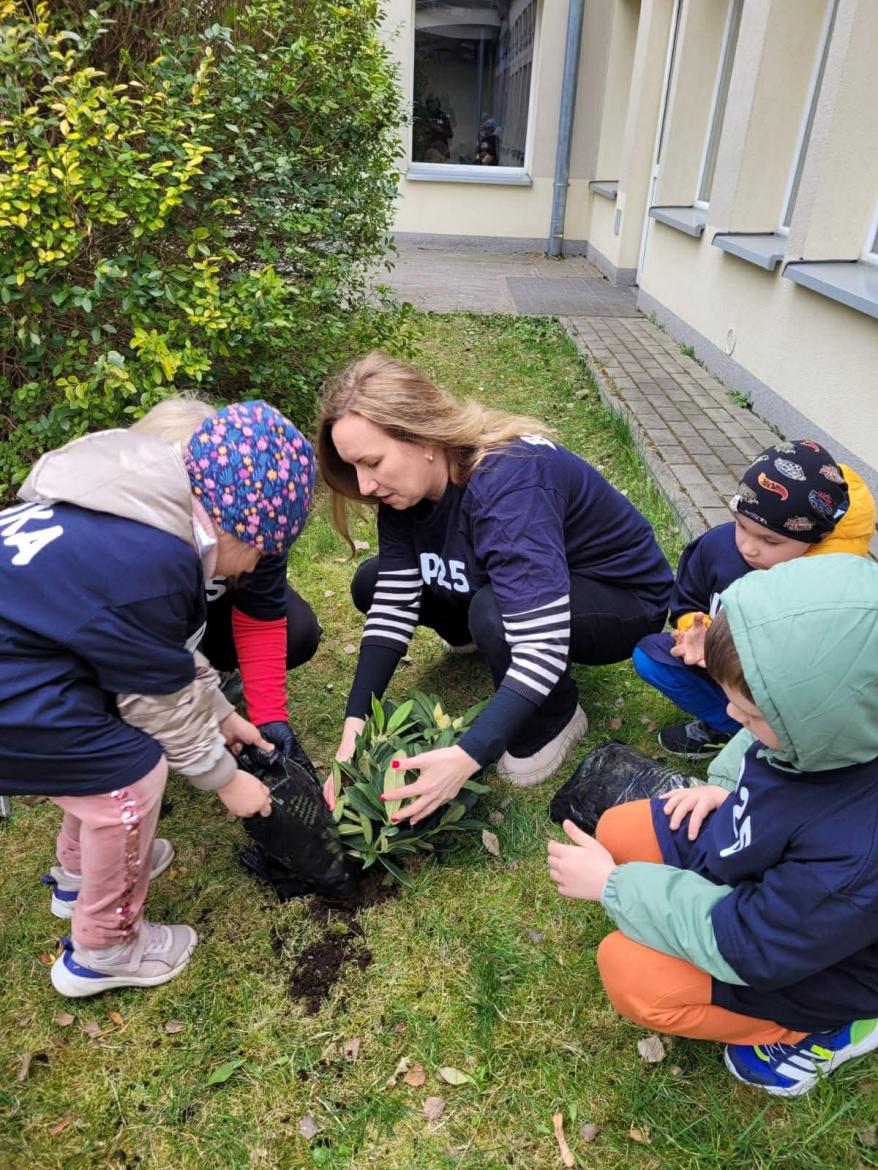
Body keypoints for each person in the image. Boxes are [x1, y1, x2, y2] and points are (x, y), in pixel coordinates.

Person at [0, 401, 314, 996]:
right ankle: (106, 948)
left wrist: (223, 713)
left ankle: (77, 876)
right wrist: (226, 779)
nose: (250, 572)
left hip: (26, 662)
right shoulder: (157, 562)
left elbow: (153, 650)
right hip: (14, 690)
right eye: (260, 554)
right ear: (240, 526)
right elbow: (158, 700)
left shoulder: (126, 514)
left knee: (96, 752)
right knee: (130, 774)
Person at [548, 554, 878, 1096]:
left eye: (751, 714)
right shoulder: (828, 731)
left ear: (823, 722)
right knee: (618, 829)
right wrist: (722, 787)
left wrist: (614, 886)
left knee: (630, 973)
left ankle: (820, 1030)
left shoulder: (857, 849)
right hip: (768, 863)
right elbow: (755, 748)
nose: (734, 720)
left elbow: (750, 943)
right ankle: (683, 906)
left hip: (809, 962)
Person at [316, 351, 673, 818]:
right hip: (524, 577)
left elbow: (541, 647)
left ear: (423, 437)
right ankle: (477, 635)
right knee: (373, 580)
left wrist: (467, 755)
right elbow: (393, 604)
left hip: (621, 598)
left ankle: (557, 715)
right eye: (355, 468)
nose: (364, 486)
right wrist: (354, 730)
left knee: (496, 613)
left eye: (373, 462)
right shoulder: (405, 490)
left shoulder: (509, 482)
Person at [633, 439, 875, 758]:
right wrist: (698, 631)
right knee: (649, 656)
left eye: (770, 541)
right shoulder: (717, 546)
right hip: (726, 672)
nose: (748, 547)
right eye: (741, 525)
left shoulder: (831, 586)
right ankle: (733, 727)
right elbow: (688, 598)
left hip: (791, 694)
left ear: (817, 538)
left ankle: (785, 743)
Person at [132, 397, 322, 763]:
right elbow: (142, 650)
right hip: (135, 638)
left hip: (209, 617)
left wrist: (269, 719)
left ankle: (218, 677)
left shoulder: (256, 511)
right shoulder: (139, 549)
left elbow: (261, 617)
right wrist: (217, 767)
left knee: (297, 631)